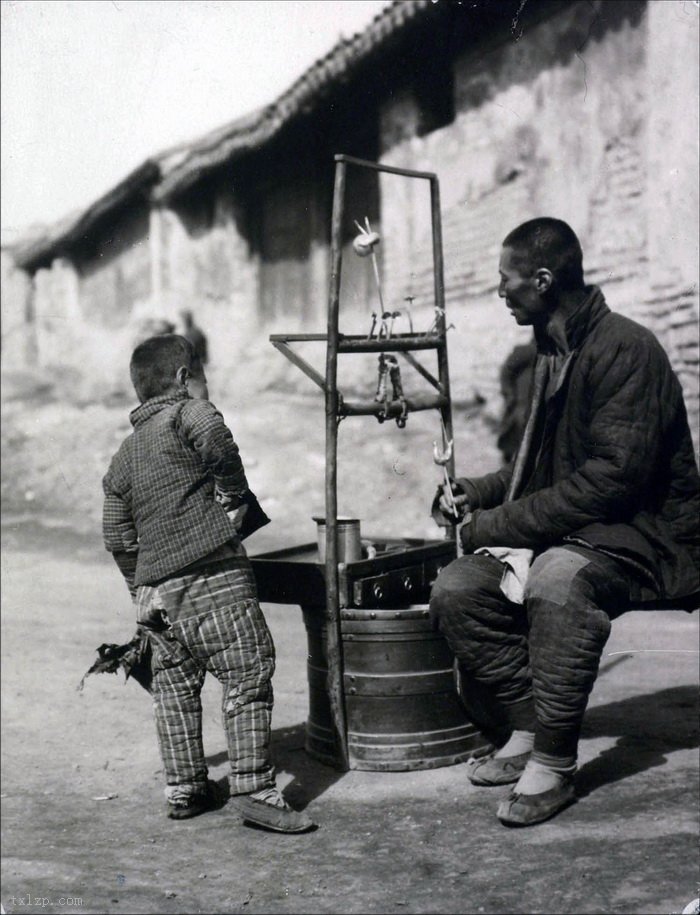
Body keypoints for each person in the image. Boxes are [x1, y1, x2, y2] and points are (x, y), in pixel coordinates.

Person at [430, 218, 700, 827]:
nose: (500, 292)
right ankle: (529, 726)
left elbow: (611, 482)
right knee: (457, 589)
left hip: (647, 533)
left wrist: (495, 524)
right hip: (587, 527)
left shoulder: (625, 349)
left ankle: (554, 763)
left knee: (556, 579)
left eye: (507, 280)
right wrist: (476, 493)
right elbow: (545, 470)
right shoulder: (549, 354)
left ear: (544, 281)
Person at [102, 334, 314, 832]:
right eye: (200, 377)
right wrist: (234, 493)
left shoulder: (123, 456)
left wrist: (142, 586)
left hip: (158, 600)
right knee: (246, 674)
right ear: (182, 379)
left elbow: (116, 535)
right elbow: (212, 430)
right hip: (214, 578)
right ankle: (256, 789)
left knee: (173, 691)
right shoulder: (186, 414)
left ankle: (186, 788)